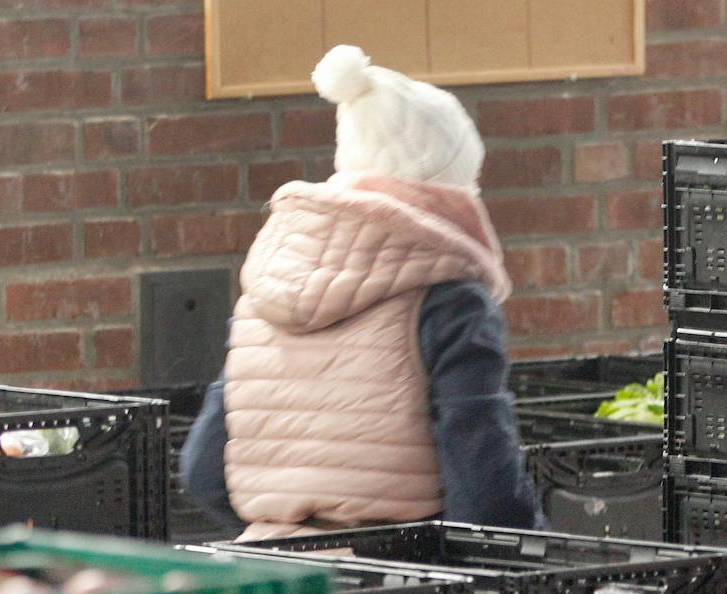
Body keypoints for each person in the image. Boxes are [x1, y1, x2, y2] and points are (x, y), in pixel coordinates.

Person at [181, 45, 543, 541]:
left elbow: (203, 472)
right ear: (453, 184)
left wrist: (291, 531)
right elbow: (483, 491)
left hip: (279, 583)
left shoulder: (266, 288)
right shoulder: (448, 300)